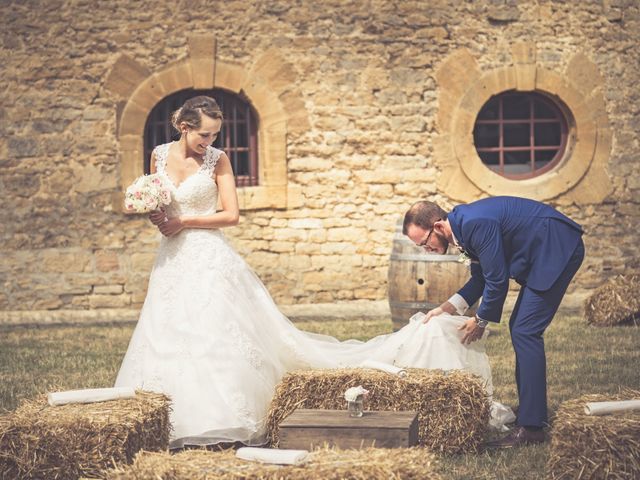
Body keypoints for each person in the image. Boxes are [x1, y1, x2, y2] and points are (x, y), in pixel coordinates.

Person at [115, 95, 507, 449]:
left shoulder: (219, 161)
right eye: (204, 135)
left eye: (215, 134)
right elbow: (161, 202)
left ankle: (223, 419)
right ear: (184, 127)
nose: (210, 142)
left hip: (207, 254)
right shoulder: (158, 155)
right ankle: (164, 419)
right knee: (169, 329)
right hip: (172, 257)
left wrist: (184, 222)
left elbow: (231, 215)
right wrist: (160, 216)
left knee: (215, 332)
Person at [403, 196, 584, 447]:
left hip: (556, 247)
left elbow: (497, 279)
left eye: (424, 243)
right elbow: (480, 279)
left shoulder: (475, 224)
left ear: (437, 228)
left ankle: (531, 429)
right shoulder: (461, 229)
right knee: (521, 329)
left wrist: (480, 320)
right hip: (544, 251)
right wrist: (444, 309)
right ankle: (530, 413)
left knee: (525, 331)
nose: (426, 249)